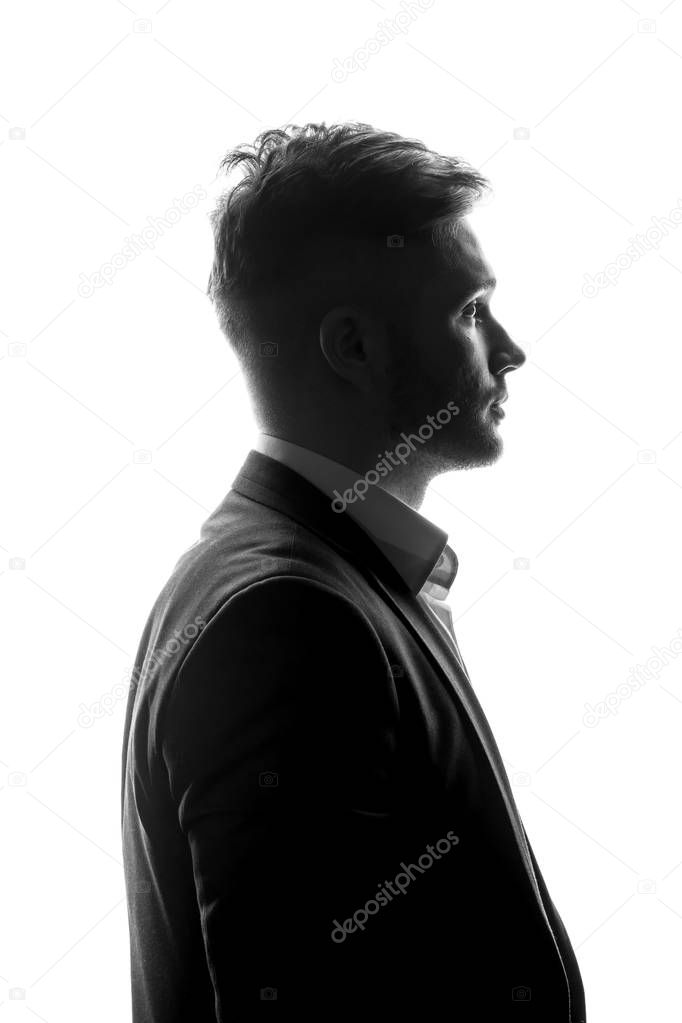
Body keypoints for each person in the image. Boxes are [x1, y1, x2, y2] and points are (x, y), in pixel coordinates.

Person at [121, 121, 586, 1020]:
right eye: (469, 309)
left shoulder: (287, 574)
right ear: (354, 348)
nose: (511, 346)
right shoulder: (289, 620)